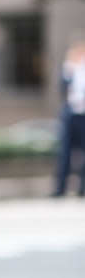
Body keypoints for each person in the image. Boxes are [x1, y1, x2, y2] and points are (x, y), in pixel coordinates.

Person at [53, 35, 85, 197]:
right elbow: (62, 89)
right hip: (70, 114)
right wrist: (68, 70)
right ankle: (60, 189)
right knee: (65, 152)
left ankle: (82, 188)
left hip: (84, 116)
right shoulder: (69, 71)